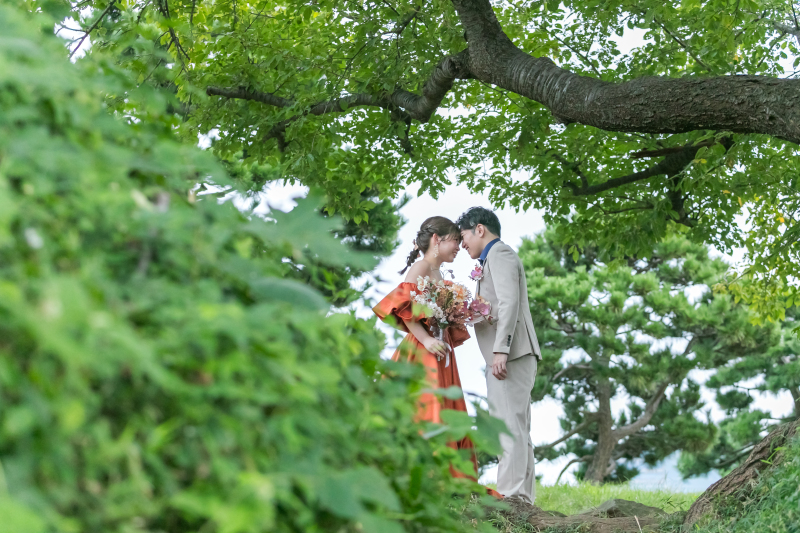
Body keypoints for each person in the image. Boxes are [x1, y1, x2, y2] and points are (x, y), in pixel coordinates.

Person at [373, 216, 497, 492]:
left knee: (445, 407)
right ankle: (425, 478)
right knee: (427, 408)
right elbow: (403, 306)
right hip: (422, 351)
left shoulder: (439, 273)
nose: (459, 246)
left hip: (440, 351)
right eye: (455, 239)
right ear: (437, 239)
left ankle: (446, 478)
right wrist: (427, 339)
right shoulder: (421, 266)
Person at [456, 206, 541, 504]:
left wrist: (500, 350)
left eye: (463, 235)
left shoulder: (500, 254)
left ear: (480, 229)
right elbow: (494, 306)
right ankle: (522, 498)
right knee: (516, 425)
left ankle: (512, 496)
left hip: (511, 353)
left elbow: (508, 303)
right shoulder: (491, 257)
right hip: (513, 353)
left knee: (509, 426)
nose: (461, 242)